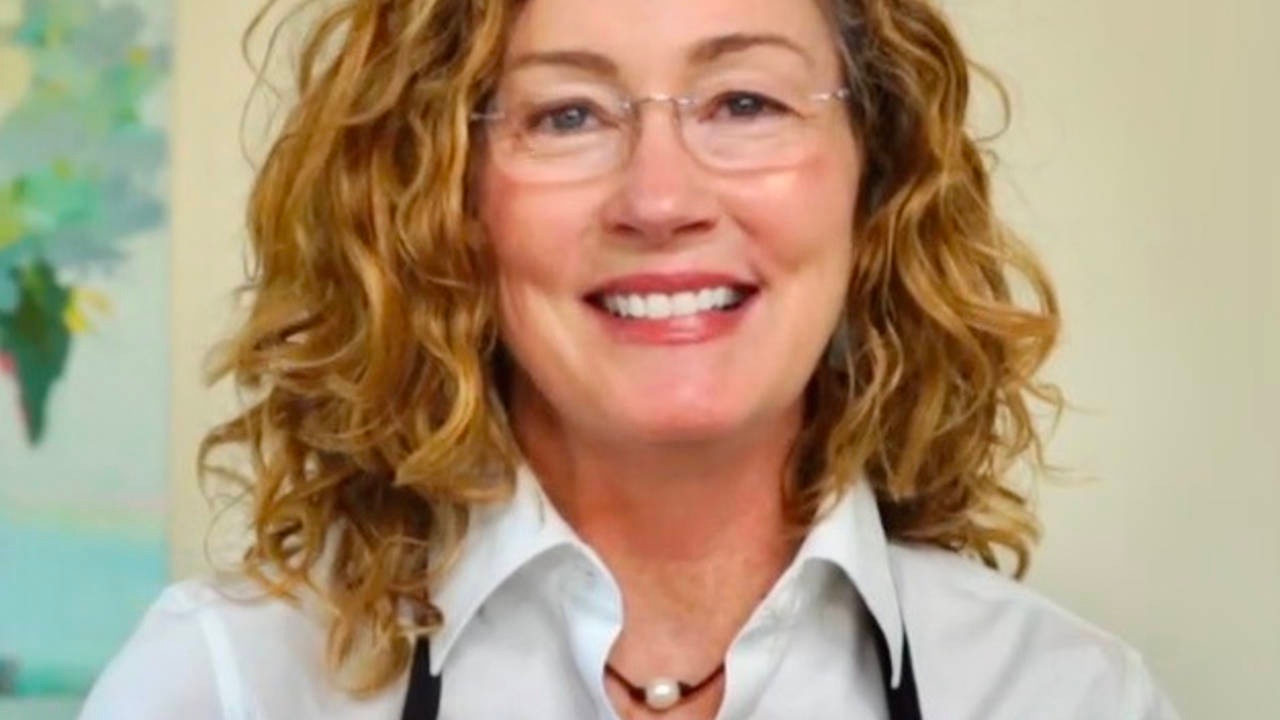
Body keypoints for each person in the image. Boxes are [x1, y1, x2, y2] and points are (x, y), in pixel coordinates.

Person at [81, 0, 1180, 717]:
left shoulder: (1062, 696)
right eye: (567, 115)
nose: (659, 199)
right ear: (439, 198)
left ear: (873, 177)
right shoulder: (229, 685)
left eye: (744, 102)